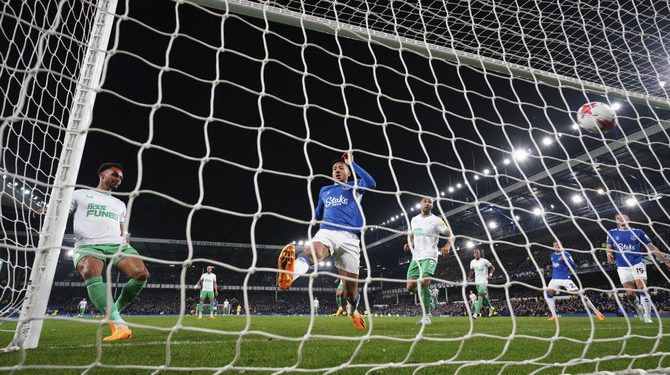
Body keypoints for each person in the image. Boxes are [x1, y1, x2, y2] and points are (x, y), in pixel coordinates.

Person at [277, 152, 376, 330]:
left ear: (348, 172)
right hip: (327, 231)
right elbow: (317, 212)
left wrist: (352, 163)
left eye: (341, 168)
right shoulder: (325, 190)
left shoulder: (355, 186)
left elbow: (372, 183)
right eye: (334, 169)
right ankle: (290, 274)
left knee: (350, 293)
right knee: (315, 252)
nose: (337, 170)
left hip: (350, 238)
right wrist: (312, 220)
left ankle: (353, 308)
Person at [63, 162, 149, 342]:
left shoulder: (119, 204)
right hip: (88, 245)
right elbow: (62, 212)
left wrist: (125, 238)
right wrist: (48, 211)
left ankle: (112, 311)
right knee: (90, 271)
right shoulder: (79, 194)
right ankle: (119, 324)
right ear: (102, 175)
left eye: (120, 177)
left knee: (141, 274)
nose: (118, 179)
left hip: (117, 245)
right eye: (115, 175)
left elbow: (122, 227)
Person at [606, 212, 670, 323]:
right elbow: (608, 248)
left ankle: (647, 315)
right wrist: (608, 254)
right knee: (630, 294)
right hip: (622, 267)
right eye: (618, 218)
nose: (621, 219)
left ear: (628, 219)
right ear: (616, 220)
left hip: (637, 263)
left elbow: (652, 247)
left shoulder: (638, 232)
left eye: (623, 217)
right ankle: (638, 308)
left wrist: (665, 261)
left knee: (642, 287)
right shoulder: (611, 232)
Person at [403, 196, 451, 325]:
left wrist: (447, 246)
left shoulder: (437, 220)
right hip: (416, 257)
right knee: (409, 287)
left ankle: (426, 316)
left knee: (424, 282)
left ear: (432, 205)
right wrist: (409, 243)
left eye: (430, 202)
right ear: (420, 204)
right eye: (425, 201)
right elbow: (412, 235)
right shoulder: (414, 219)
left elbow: (450, 234)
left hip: (430, 255)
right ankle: (432, 294)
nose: (427, 203)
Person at [545, 240, 604, 321]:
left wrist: (566, 260)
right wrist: (549, 267)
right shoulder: (552, 255)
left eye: (558, 245)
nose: (556, 246)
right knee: (548, 294)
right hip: (554, 279)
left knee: (579, 295)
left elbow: (574, 266)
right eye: (555, 245)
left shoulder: (566, 254)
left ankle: (597, 312)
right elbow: (552, 265)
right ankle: (554, 316)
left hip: (565, 279)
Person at [467, 249, 496, 319]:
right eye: (475, 253)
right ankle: (491, 307)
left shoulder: (484, 261)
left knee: (479, 295)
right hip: (477, 282)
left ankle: (476, 313)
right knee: (482, 296)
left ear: (480, 254)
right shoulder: (472, 262)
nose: (476, 254)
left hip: (484, 281)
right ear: (473, 254)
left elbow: (493, 268)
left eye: (477, 253)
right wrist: (469, 278)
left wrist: (490, 274)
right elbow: (471, 271)